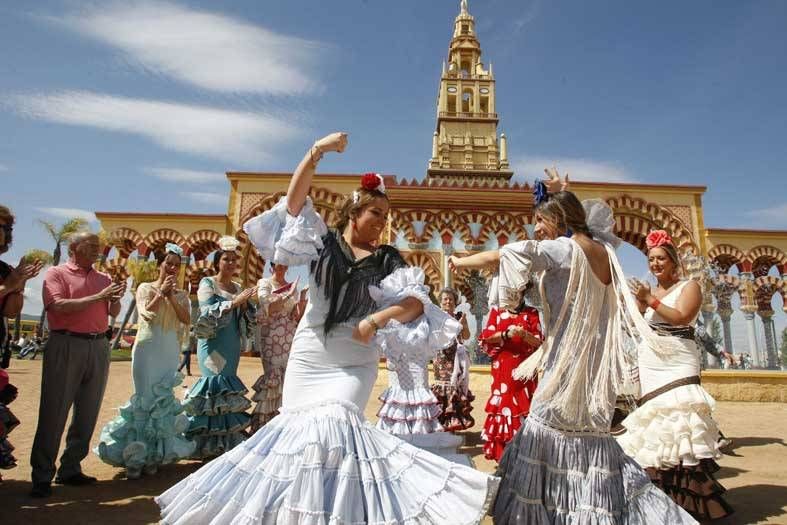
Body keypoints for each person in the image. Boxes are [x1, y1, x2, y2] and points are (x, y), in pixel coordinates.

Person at [157, 133, 498, 524]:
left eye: (387, 218)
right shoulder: (321, 243)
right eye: (377, 215)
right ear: (355, 213)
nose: (383, 224)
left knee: (334, 427)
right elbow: (293, 203)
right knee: (300, 443)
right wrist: (316, 152)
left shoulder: (387, 259)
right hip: (309, 356)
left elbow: (417, 303)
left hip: (354, 364)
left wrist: (375, 319)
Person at [448, 172, 696, 524]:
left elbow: (504, 256)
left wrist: (460, 262)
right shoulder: (606, 253)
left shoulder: (563, 249)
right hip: (593, 364)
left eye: (540, 220)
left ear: (558, 221)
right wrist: (564, 193)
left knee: (544, 430)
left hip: (565, 362)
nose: (536, 229)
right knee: (590, 438)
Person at [617, 230, 733, 521]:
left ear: (673, 263)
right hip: (651, 366)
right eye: (651, 259)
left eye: (661, 259)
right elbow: (637, 327)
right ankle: (659, 502)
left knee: (679, 423)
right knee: (654, 431)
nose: (655, 264)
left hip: (677, 365)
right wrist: (641, 306)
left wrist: (650, 301)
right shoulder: (649, 292)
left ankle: (689, 504)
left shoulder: (689, 286)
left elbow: (682, 316)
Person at [30, 231, 125, 498]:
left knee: (87, 412)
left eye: (98, 245)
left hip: (98, 346)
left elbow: (112, 312)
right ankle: (42, 474)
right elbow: (58, 306)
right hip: (66, 344)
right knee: (54, 411)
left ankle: (70, 468)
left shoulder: (103, 278)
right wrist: (98, 297)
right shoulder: (57, 274)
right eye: (91, 245)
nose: (97, 249)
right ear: (74, 247)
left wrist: (115, 298)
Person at [95, 244, 196, 478]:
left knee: (162, 401)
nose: (172, 268)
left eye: (176, 265)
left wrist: (171, 296)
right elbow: (147, 314)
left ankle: (153, 456)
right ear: (159, 264)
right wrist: (161, 293)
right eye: (168, 263)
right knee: (145, 398)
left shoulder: (180, 295)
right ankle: (136, 456)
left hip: (168, 350)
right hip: (148, 348)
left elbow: (185, 319)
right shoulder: (145, 288)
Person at [183, 236, 256, 458]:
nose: (231, 263)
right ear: (218, 262)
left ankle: (225, 443)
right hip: (212, 341)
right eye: (226, 259)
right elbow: (207, 310)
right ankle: (206, 444)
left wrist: (247, 305)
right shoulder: (208, 283)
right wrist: (235, 302)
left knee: (227, 385)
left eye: (234, 260)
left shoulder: (237, 287)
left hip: (231, 342)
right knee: (213, 384)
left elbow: (246, 315)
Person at [478, 281, 542, 462]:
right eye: (510, 291)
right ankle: (503, 455)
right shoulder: (497, 312)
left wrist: (524, 335)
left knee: (525, 407)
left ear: (523, 293)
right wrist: (506, 334)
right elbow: (487, 337)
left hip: (525, 371)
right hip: (503, 371)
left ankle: (524, 453)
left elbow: (539, 342)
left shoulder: (532, 313)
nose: (513, 295)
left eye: (517, 291)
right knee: (503, 405)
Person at [249, 263, 299, 432]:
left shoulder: (292, 285)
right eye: (278, 262)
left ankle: (286, 428)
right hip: (271, 338)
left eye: (285, 262)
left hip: (289, 338)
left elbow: (295, 313)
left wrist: (302, 301)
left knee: (288, 378)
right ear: (272, 265)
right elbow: (267, 307)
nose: (281, 266)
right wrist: (287, 296)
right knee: (274, 377)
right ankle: (267, 428)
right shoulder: (265, 283)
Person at [0, 206, 44, 369]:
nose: (3, 232)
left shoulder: (5, 270)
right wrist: (8, 285)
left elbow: (10, 312)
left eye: (6, 228)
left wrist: (20, 283)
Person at [431, 287, 475, 431]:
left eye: (451, 299)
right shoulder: (437, 318)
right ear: (441, 302)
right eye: (445, 299)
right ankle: (442, 424)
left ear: (455, 302)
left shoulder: (460, 316)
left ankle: (454, 424)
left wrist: (462, 324)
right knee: (443, 388)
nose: (448, 301)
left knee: (456, 387)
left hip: (457, 358)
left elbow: (467, 336)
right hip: (442, 359)